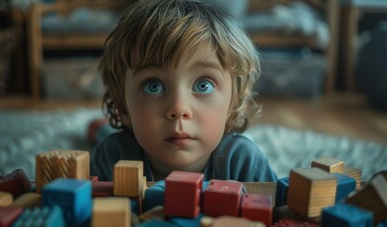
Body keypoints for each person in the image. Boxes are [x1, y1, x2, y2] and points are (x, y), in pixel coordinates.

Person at [90, 0, 278, 182]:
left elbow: (278, 209)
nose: (179, 108)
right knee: (104, 134)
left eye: (203, 85)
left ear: (233, 104)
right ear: (122, 107)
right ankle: (99, 128)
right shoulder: (112, 158)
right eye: (153, 86)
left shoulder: (244, 162)